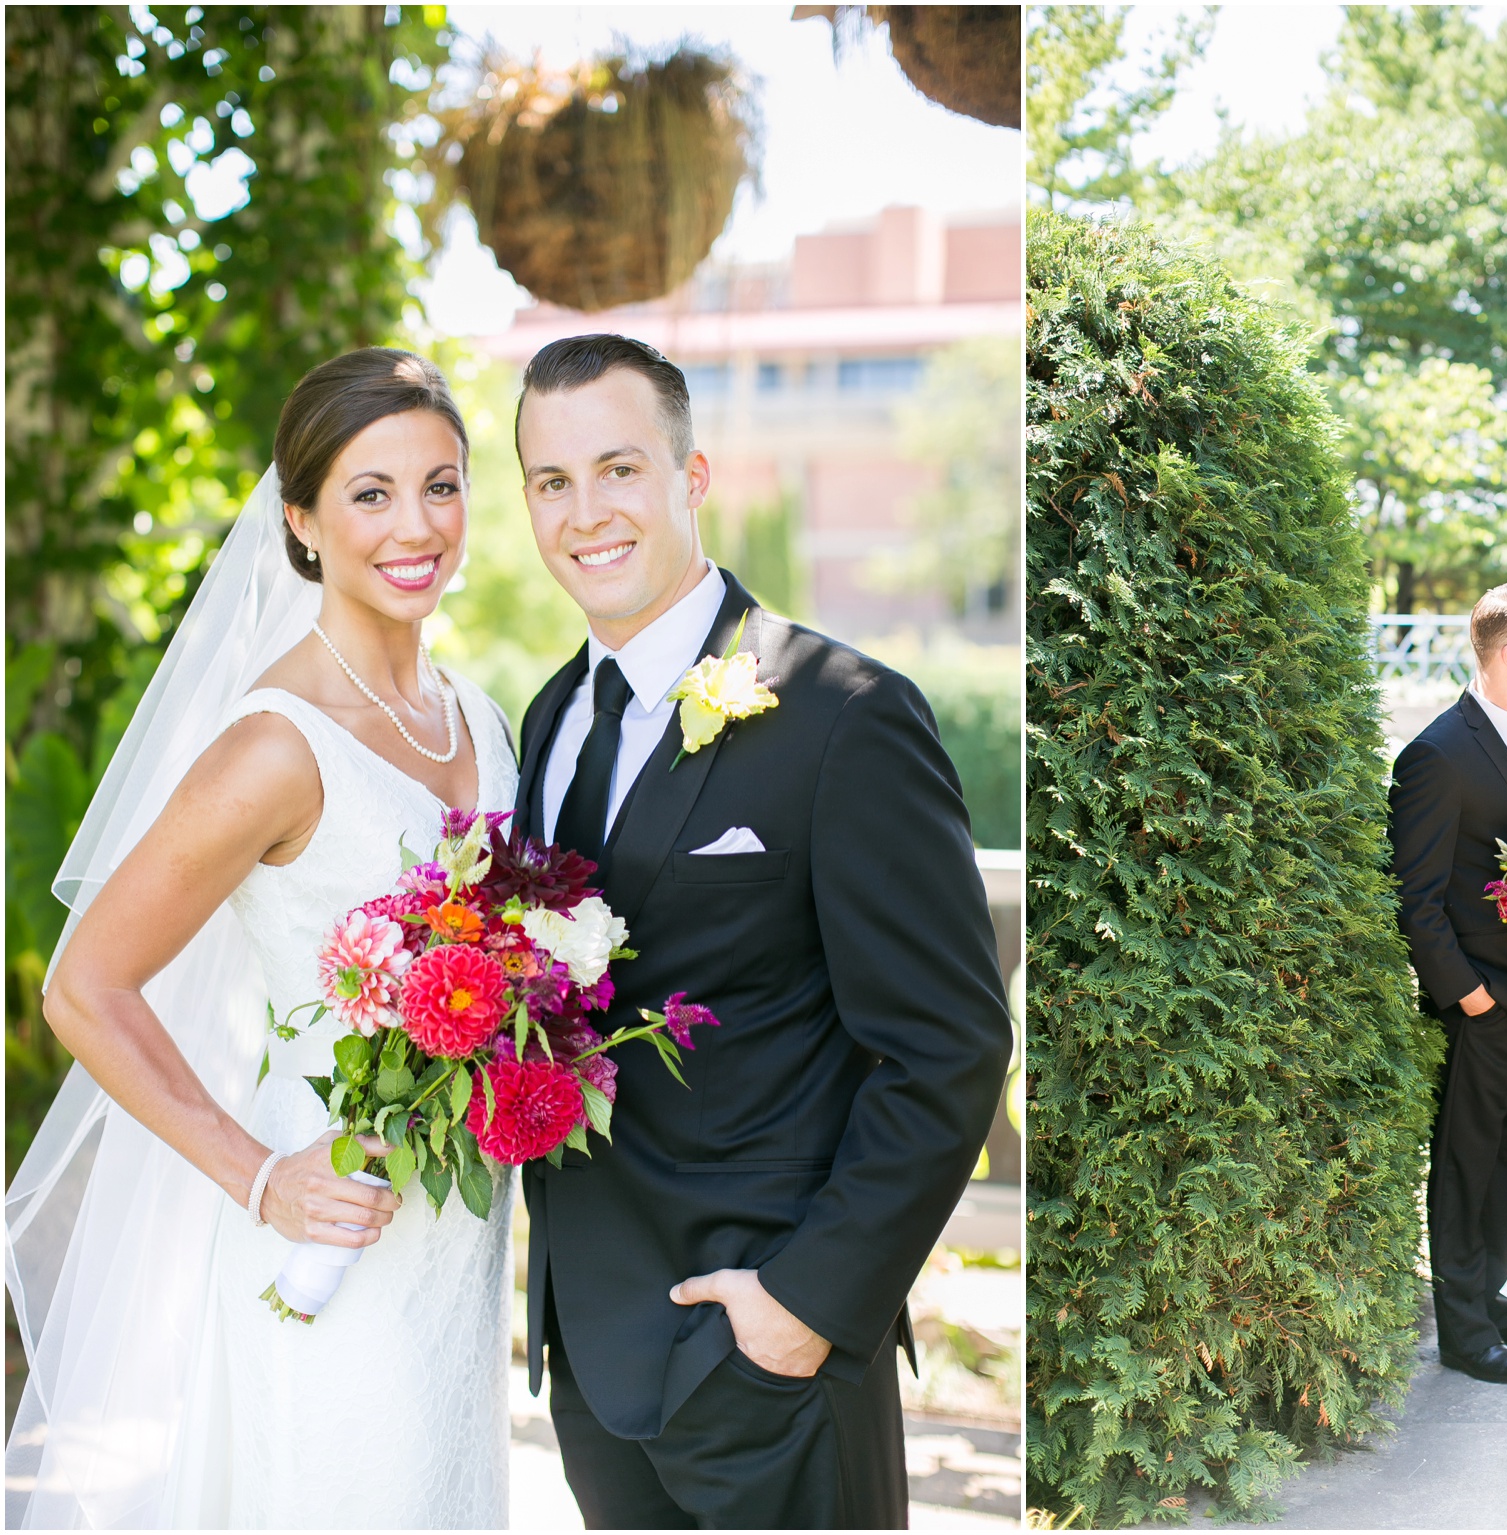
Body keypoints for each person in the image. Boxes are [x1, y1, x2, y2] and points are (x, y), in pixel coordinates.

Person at [509, 334, 1012, 1529]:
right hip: (591, 1354)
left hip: (767, 1358)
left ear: (691, 477)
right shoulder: (549, 715)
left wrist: (805, 1303)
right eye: (551, 481)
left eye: (618, 468)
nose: (587, 512)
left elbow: (947, 1046)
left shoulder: (845, 711)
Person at [6, 349, 516, 1526]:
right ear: (300, 519)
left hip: (456, 1238)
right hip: (329, 1225)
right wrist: (260, 1178)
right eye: (370, 492)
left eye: (441, 485)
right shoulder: (275, 745)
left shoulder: (478, 716)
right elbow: (86, 986)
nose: (416, 524)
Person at [1387, 583, 1507, 1386]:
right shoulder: (1437, 753)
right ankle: (1462, 1329)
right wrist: (1469, 995)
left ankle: (1486, 1298)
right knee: (1464, 1162)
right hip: (1481, 1004)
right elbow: (1416, 898)